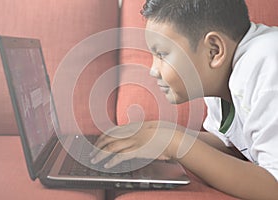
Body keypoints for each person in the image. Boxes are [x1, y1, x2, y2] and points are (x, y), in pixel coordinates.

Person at [90, 0, 278, 199]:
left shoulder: (267, 68)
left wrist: (174, 143)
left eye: (162, 54)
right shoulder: (223, 79)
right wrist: (160, 132)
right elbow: (231, 145)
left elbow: (274, 187)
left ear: (214, 50)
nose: (153, 70)